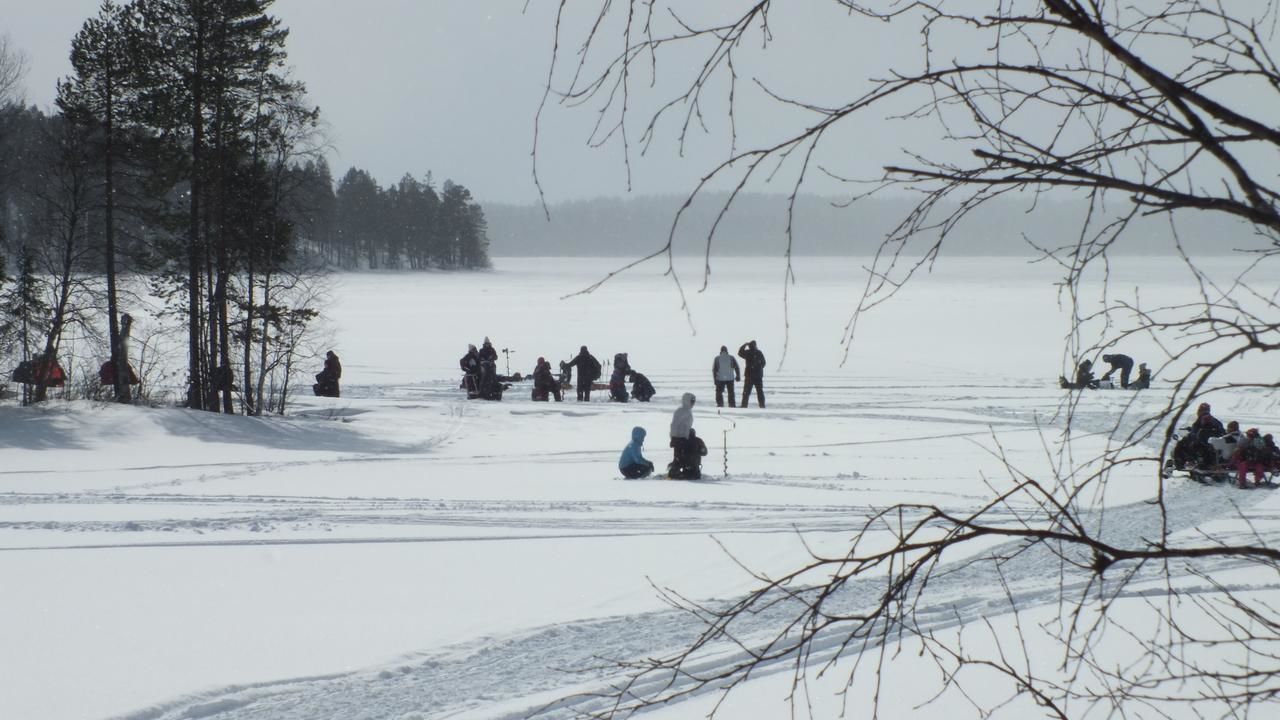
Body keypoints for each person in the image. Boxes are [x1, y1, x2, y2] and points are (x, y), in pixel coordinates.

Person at [669, 392, 696, 473]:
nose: (693, 403)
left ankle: (683, 472)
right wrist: (673, 437)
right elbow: (674, 424)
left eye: (694, 401)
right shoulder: (681, 411)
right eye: (692, 401)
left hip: (684, 437)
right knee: (679, 457)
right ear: (687, 401)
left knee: (683, 457)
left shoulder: (687, 411)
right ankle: (673, 473)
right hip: (679, 438)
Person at [737, 340, 766, 408]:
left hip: (749, 375)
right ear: (755, 345)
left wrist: (744, 345)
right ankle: (762, 405)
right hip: (758, 376)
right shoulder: (759, 353)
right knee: (760, 392)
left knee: (746, 392)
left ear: (749, 346)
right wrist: (759, 368)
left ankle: (744, 405)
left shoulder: (748, 353)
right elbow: (764, 363)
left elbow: (739, 352)